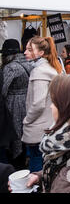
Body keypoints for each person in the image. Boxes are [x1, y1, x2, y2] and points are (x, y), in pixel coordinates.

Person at [22, 36, 62, 173]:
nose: (25, 52)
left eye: (29, 49)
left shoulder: (39, 71)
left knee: (37, 162)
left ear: (41, 53)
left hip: (39, 127)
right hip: (49, 125)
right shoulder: (50, 68)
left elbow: (38, 104)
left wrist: (27, 120)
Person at [0, 39, 34, 169]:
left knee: (15, 133)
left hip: (14, 103)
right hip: (27, 100)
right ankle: (24, 157)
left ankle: (16, 161)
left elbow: (3, 89)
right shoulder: (29, 63)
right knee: (25, 131)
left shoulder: (10, 67)